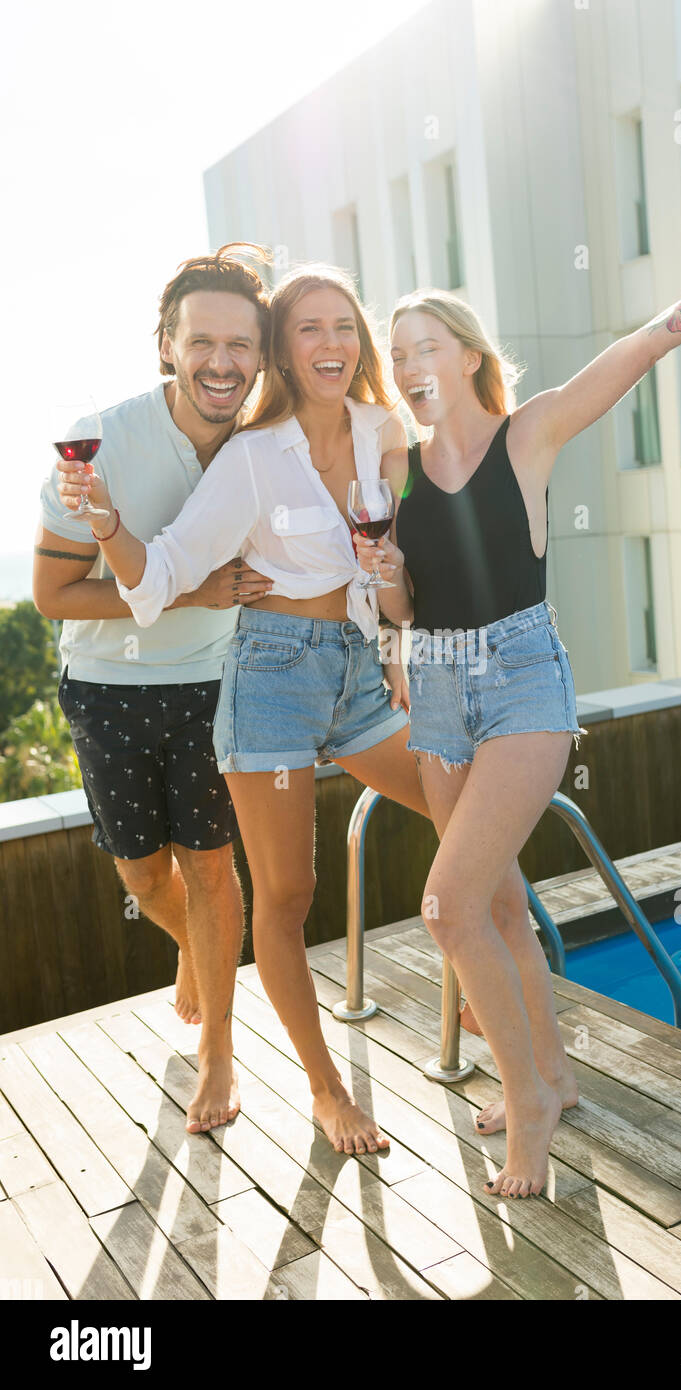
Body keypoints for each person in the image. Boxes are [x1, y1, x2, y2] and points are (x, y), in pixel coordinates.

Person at [355, 207, 681, 1198]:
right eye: (397, 349)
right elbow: (407, 609)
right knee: (492, 902)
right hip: (440, 685)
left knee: (445, 908)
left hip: (523, 680)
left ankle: (525, 1102)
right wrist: (384, 584)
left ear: (463, 353)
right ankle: (552, 1073)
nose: (410, 361)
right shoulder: (393, 466)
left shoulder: (529, 430)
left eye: (426, 344)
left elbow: (659, 332)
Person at [57, 264, 423, 1156]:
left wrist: (402, 639)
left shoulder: (388, 435)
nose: (330, 343)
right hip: (267, 684)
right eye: (308, 330)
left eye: (344, 325)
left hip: (358, 675)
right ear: (282, 357)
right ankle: (324, 1090)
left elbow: (410, 568)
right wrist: (106, 522)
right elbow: (161, 578)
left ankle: (490, 992)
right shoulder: (253, 456)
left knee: (465, 808)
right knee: (286, 897)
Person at [36, 244, 274, 1135]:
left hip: (216, 681)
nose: (222, 362)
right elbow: (53, 594)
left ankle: (219, 1048)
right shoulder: (96, 444)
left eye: (240, 345)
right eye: (201, 341)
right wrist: (194, 588)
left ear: (260, 354)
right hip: (106, 686)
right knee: (141, 872)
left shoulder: (266, 445)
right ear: (167, 346)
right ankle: (194, 951)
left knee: (211, 867)